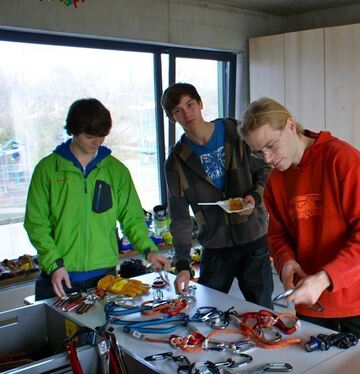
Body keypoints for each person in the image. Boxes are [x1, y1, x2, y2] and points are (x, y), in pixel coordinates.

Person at [238, 97, 360, 339]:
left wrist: (326, 278)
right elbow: (278, 234)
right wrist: (285, 261)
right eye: (258, 153)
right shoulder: (275, 180)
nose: (267, 158)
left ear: (290, 125)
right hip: (310, 301)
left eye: (271, 145)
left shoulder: (343, 160)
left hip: (357, 300)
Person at [24, 98, 170, 301]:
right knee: (58, 333)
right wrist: (53, 263)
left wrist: (149, 250)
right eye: (90, 136)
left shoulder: (116, 171)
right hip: (58, 276)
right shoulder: (47, 169)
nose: (97, 142)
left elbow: (132, 217)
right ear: (73, 131)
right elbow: (36, 223)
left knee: (103, 334)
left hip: (105, 277)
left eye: (102, 136)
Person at [161, 83, 274, 308]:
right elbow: (180, 217)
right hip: (215, 247)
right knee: (206, 311)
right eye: (177, 111)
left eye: (190, 105)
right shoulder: (175, 162)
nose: (186, 113)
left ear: (200, 103)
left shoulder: (237, 132)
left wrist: (255, 196)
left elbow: (266, 168)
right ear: (173, 118)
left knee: (263, 312)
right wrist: (182, 264)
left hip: (253, 239)